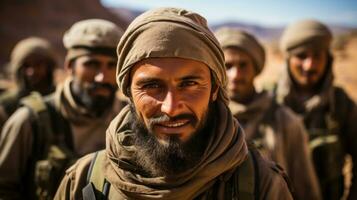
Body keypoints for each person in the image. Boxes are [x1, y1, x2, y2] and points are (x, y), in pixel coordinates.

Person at [54, 8, 293, 200]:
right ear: (128, 92)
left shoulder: (260, 184)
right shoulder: (85, 181)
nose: (171, 107)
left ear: (215, 89)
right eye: (152, 86)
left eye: (189, 84)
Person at [0, 19, 124, 199]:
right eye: (91, 64)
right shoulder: (30, 120)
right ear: (69, 66)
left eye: (111, 65)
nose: (101, 77)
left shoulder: (128, 119)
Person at [214, 27, 321, 200]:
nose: (235, 75)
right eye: (228, 66)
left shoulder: (285, 120)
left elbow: (305, 188)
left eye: (243, 65)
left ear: (256, 68)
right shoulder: (206, 119)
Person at [275, 19, 357, 200]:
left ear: (328, 59)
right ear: (288, 60)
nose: (309, 65)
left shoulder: (341, 104)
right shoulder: (270, 102)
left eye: (317, 56)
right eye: (302, 56)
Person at [0, 37, 57, 130]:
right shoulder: (6, 105)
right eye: (26, 66)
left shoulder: (60, 100)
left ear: (49, 67)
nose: (31, 72)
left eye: (38, 65)